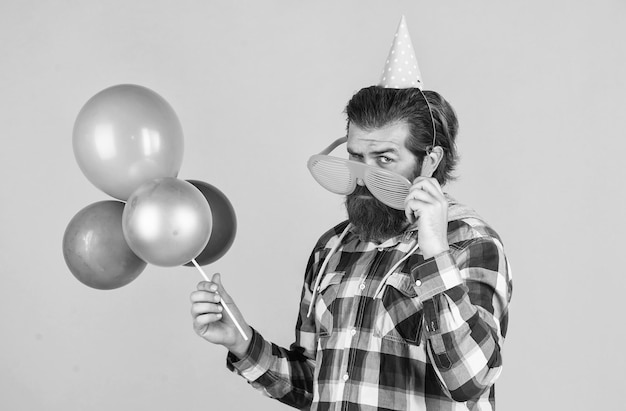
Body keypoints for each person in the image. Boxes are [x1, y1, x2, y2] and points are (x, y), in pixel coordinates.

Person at [190, 18, 512, 411]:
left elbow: (470, 382)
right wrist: (240, 341)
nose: (363, 176)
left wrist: (434, 254)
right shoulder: (332, 246)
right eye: (356, 156)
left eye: (384, 159)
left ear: (430, 161)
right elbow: (316, 385)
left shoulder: (471, 245)